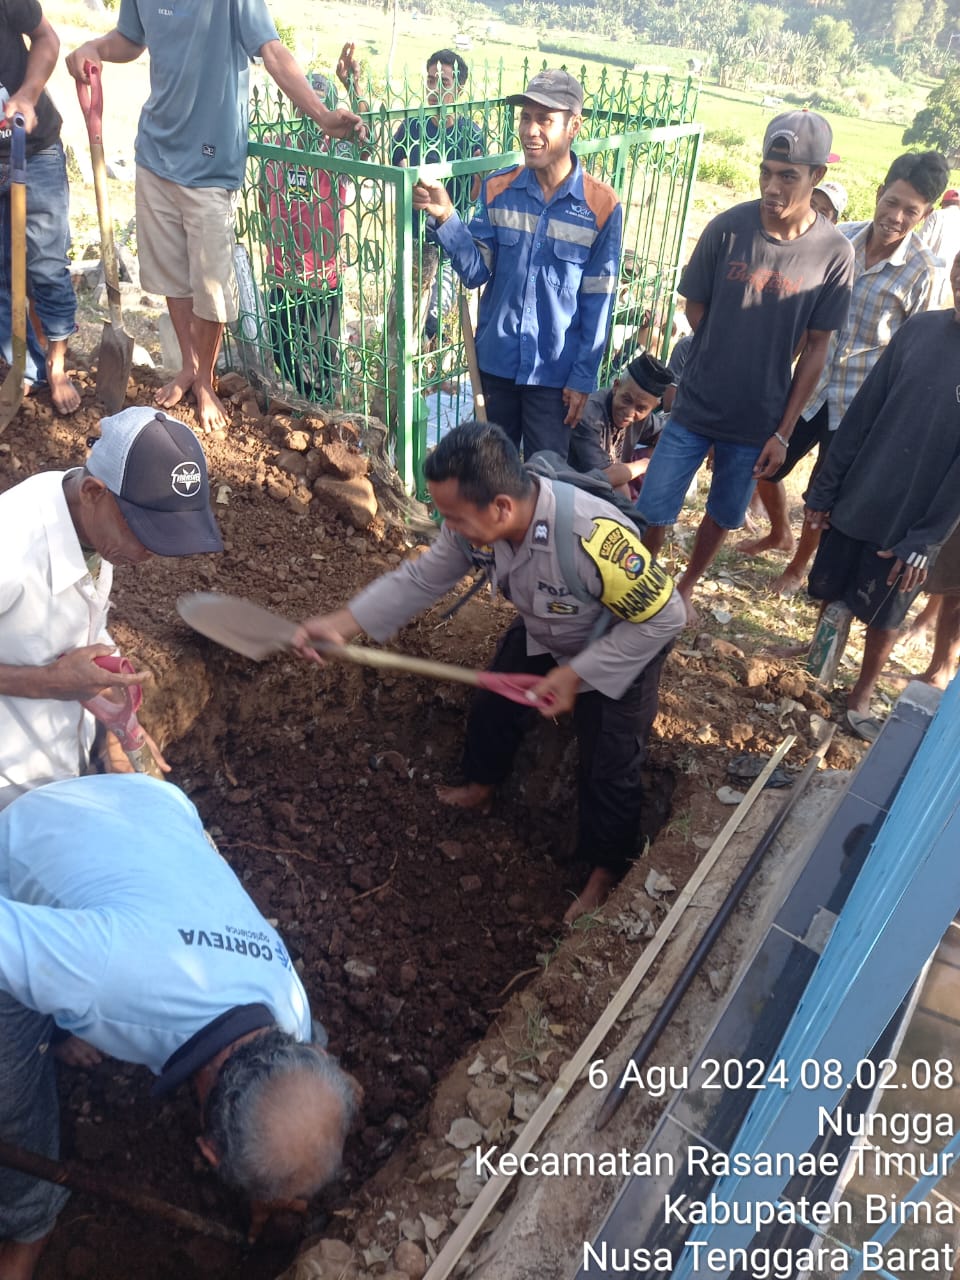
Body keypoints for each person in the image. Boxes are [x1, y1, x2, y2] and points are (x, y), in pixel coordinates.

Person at [294, 421, 685, 924]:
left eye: (454, 517)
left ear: (501, 506)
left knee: (610, 761)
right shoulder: (472, 529)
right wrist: (343, 624)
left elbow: (666, 618)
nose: (447, 528)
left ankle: (605, 872)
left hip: (619, 644)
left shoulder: (592, 537)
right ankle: (481, 787)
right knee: (494, 704)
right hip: (548, 631)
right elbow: (420, 578)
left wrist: (577, 676)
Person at [0, 773, 359, 1279]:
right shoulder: (103, 978)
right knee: (8, 1092)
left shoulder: (289, 1004)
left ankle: (58, 1025)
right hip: (23, 844)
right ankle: (30, 1222)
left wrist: (276, 1188)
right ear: (209, 1151)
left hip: (158, 806)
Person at [66, 4, 363, 435]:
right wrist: (95, 46)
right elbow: (131, 39)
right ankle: (189, 368)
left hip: (209, 167)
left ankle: (205, 382)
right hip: (154, 155)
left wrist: (320, 114)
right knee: (173, 278)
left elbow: (272, 50)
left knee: (212, 290)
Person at [635, 110, 854, 625]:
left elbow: (818, 347)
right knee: (656, 504)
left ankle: (686, 583)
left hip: (758, 420)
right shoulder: (728, 227)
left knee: (726, 511)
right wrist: (724, 347)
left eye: (788, 175)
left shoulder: (832, 254)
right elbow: (695, 306)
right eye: (766, 171)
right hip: (695, 404)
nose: (772, 186)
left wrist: (783, 430)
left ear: (816, 176)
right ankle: (648, 580)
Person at [740, 150, 946, 592]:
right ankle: (779, 531)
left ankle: (797, 567)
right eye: (891, 202)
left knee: (822, 493)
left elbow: (918, 348)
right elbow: (805, 313)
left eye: (910, 211)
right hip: (810, 386)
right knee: (765, 465)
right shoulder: (839, 241)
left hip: (860, 406)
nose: (895, 216)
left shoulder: (922, 272)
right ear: (878, 194)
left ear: (925, 216)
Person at [0, 405, 223, 810]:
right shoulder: (10, 547)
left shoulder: (86, 521)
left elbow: (80, 628)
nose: (149, 551)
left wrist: (117, 731)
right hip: (10, 788)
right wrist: (46, 682)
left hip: (62, 761)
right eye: (142, 531)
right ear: (93, 493)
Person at [412, 70, 622, 458]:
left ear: (574, 126)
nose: (530, 130)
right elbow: (476, 272)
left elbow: (599, 301)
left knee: (546, 478)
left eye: (544, 120)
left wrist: (582, 378)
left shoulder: (601, 206)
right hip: (496, 364)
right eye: (526, 118)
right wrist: (445, 217)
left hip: (554, 377)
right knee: (491, 474)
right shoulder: (498, 188)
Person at [801, 250, 960, 742]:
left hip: (915, 517)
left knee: (886, 612)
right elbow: (865, 409)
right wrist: (825, 488)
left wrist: (926, 539)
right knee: (830, 589)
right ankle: (815, 673)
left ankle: (862, 693)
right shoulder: (921, 330)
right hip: (861, 491)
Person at [337, 43, 484, 345]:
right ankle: (408, 375)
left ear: (459, 88)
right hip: (414, 237)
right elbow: (399, 166)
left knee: (434, 315)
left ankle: (432, 363)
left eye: (444, 82)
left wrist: (447, 201)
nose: (435, 88)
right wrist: (413, 187)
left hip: (452, 239)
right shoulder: (412, 127)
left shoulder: (471, 133)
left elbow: (474, 193)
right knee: (404, 315)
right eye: (431, 80)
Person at [0, 2, 79, 413]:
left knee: (46, 265)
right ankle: (23, 367)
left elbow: (47, 38)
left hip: (33, 149)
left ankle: (56, 363)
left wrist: (27, 96)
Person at [261, 73, 348, 401]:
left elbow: (368, 147)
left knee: (322, 362)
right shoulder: (277, 148)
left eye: (320, 105)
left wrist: (353, 83)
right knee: (285, 355)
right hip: (283, 274)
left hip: (322, 279)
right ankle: (301, 410)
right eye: (306, 104)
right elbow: (262, 196)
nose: (311, 114)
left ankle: (324, 414)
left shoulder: (336, 152)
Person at [567, 350, 675, 495]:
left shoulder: (643, 417)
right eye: (626, 400)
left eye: (641, 408)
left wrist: (659, 449)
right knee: (620, 490)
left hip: (610, 476)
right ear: (616, 386)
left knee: (663, 454)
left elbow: (666, 434)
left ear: (652, 408)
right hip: (575, 486)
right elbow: (604, 476)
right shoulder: (590, 415)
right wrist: (645, 464)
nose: (630, 412)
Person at [919, 187, 960, 305]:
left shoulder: (936, 215)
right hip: (951, 280)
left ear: (944, 203)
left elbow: (920, 242)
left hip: (928, 274)